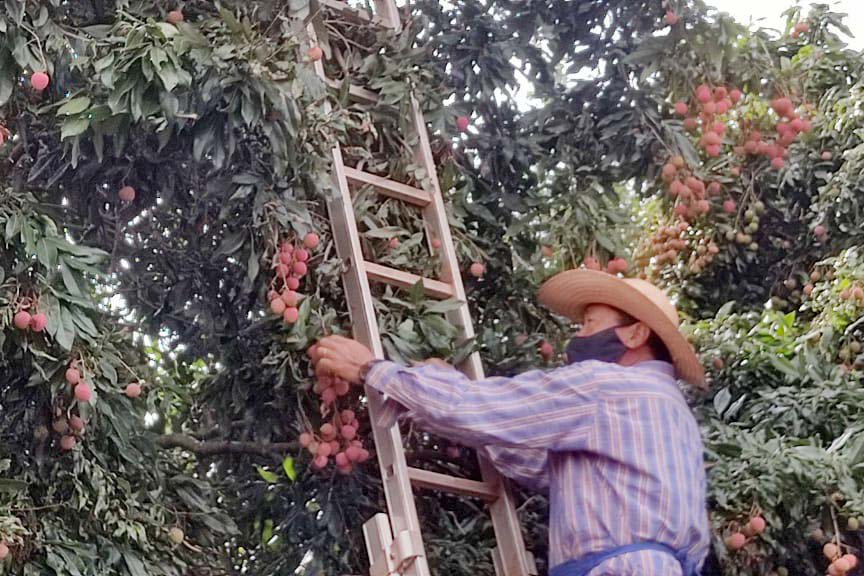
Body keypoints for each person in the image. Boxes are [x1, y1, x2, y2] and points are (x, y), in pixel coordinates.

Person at [310, 268, 711, 576]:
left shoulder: (607, 388)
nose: (579, 334)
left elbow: (477, 408)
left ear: (636, 334)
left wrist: (370, 369)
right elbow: (547, 468)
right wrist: (449, 402)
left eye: (590, 324)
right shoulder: (671, 413)